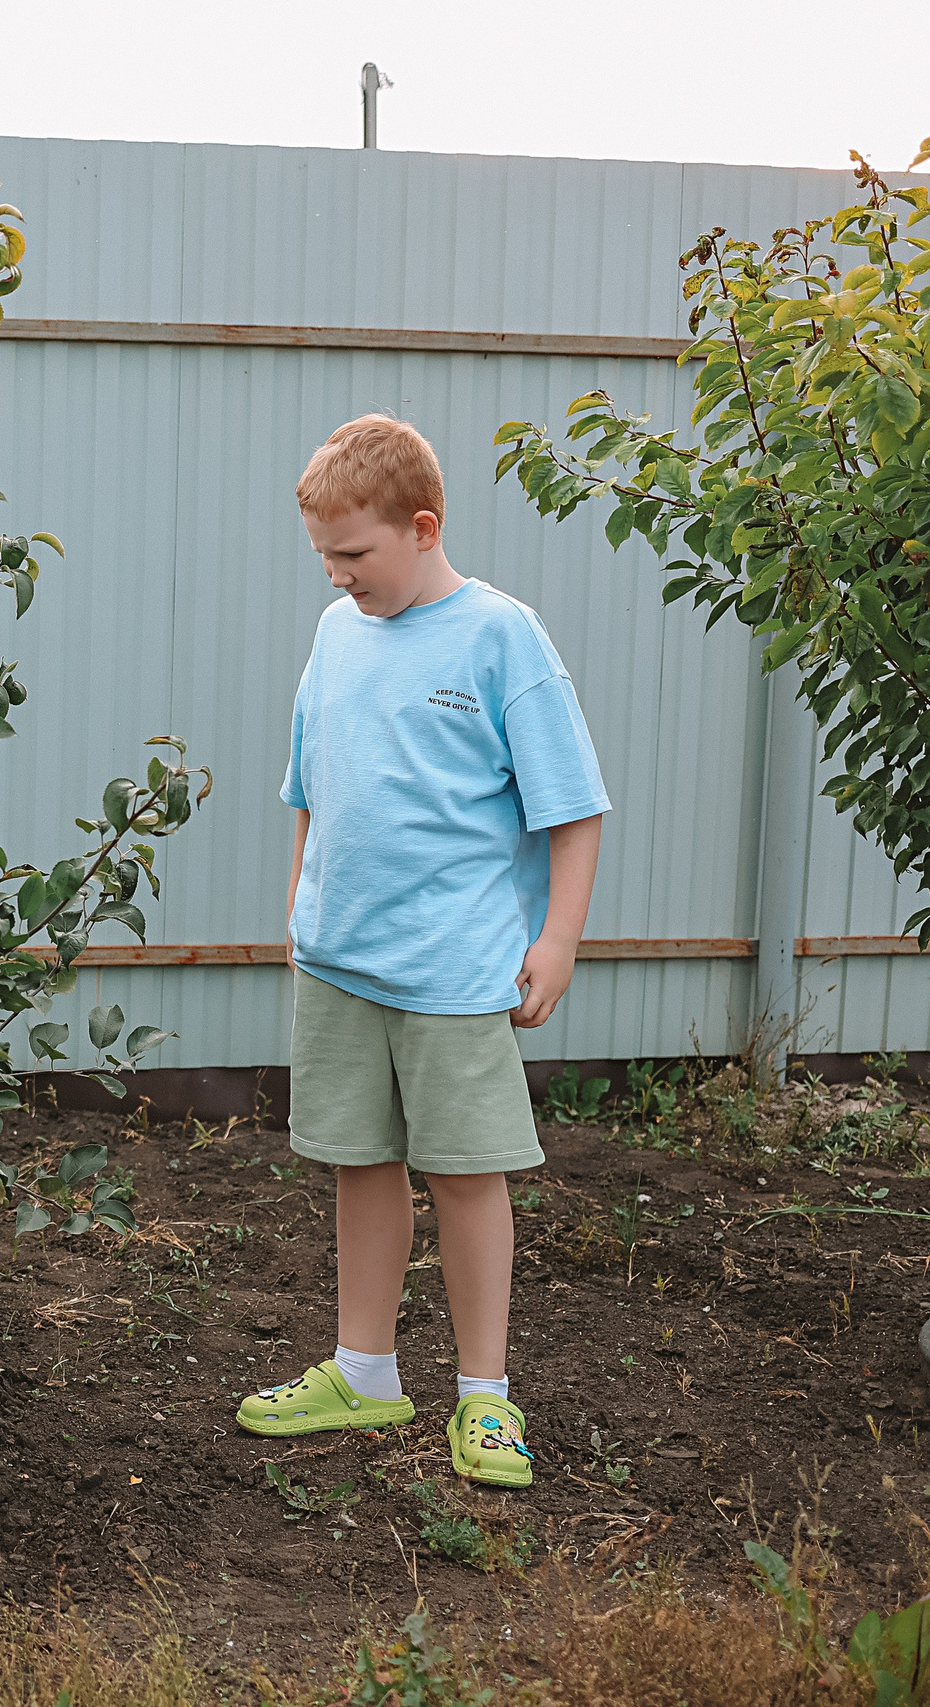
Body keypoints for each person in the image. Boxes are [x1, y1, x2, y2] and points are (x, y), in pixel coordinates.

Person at [237, 416, 607, 1489]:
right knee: (360, 1160)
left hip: (453, 971)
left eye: (353, 555)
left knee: (462, 1173)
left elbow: (572, 809)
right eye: (324, 557)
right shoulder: (334, 634)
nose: (338, 574)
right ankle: (365, 1370)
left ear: (421, 526)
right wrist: (301, 913)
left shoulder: (501, 639)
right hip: (341, 962)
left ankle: (484, 1398)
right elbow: (311, 789)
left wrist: (557, 941)